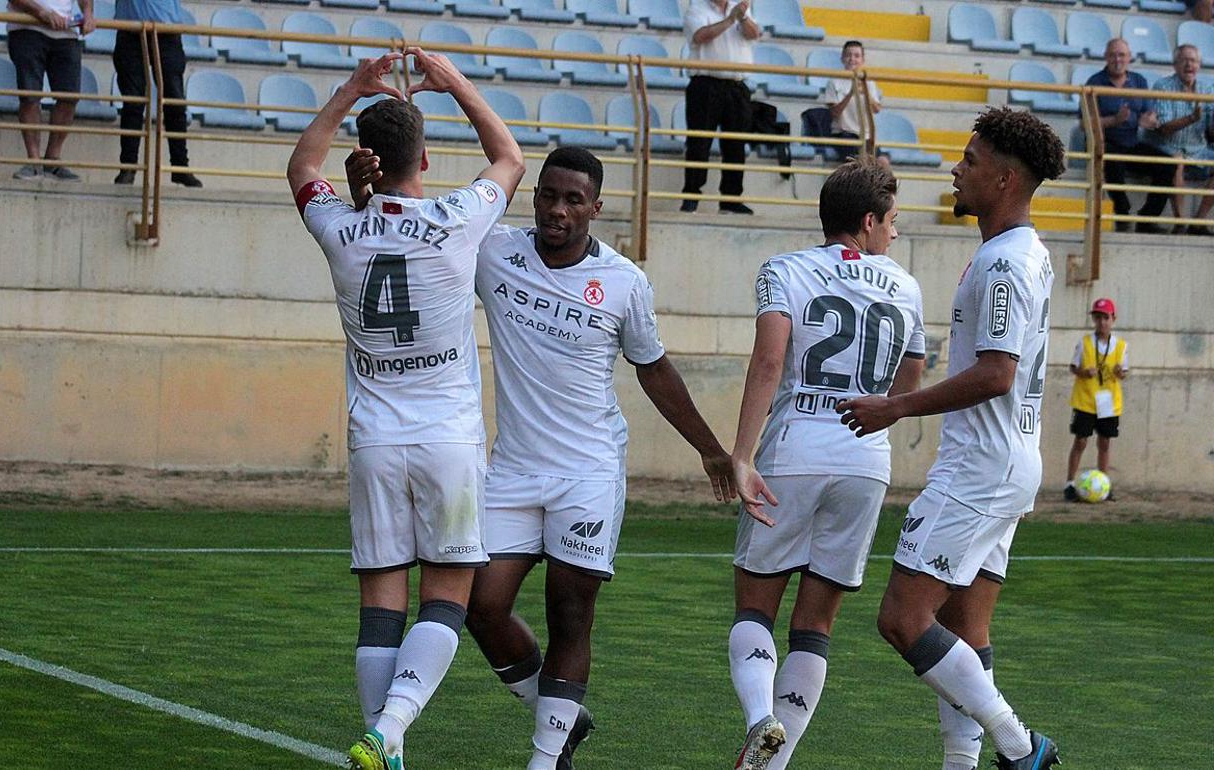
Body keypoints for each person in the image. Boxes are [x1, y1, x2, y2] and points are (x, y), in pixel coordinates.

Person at [347, 145, 736, 770]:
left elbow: (654, 368)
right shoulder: (495, 251)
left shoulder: (624, 281)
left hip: (588, 471)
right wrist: (369, 201)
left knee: (570, 609)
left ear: (596, 208)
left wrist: (711, 450)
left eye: (573, 200)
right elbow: (419, 245)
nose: (557, 210)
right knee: (480, 604)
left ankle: (545, 756)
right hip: (511, 470)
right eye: (548, 196)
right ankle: (557, 717)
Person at [286, 51, 525, 770]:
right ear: (423, 156)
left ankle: (385, 746)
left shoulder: (338, 228)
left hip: (375, 441)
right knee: (446, 599)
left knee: (381, 604)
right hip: (447, 438)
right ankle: (390, 729)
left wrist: (350, 91)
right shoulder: (457, 220)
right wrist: (452, 83)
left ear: (367, 157)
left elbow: (301, 165)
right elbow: (508, 156)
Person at [837, 107, 1065, 770]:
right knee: (966, 629)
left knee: (902, 619)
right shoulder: (1021, 253)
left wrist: (897, 407)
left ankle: (1022, 747)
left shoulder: (1002, 265)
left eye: (969, 160)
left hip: (981, 469)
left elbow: (996, 374)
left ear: (1001, 180)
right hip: (1007, 461)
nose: (956, 170)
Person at [729, 157, 925, 770]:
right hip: (866, 459)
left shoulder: (783, 270)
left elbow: (768, 362)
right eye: (891, 220)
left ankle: (762, 717)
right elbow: (910, 382)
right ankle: (769, 764)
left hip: (795, 450)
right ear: (867, 222)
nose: (895, 232)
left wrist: (741, 455)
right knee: (815, 625)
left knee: (754, 609)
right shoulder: (907, 284)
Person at [681, 0, 761, 215]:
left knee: (736, 143)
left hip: (736, 84)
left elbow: (755, 33)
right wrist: (730, 20)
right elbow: (700, 36)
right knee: (699, 142)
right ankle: (691, 196)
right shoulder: (696, 9)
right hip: (705, 83)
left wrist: (742, 17)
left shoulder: (741, 9)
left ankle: (731, 199)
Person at [1084, 38, 1172, 234]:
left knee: (1168, 164)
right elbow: (1085, 124)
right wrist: (1114, 120)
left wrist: (1150, 120)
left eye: (1122, 55)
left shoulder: (1139, 81)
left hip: (1131, 142)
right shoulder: (1094, 82)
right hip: (1104, 141)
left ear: (1129, 58)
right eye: (1113, 55)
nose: (1117, 59)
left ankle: (1147, 219)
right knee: (1112, 160)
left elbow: (1149, 113)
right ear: (1106, 57)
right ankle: (1123, 214)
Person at [112, 0, 202, 187]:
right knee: (133, 103)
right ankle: (128, 168)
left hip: (166, 31)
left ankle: (180, 168)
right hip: (131, 30)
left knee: (174, 102)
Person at [6, 0, 94, 181]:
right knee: (30, 96)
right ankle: (34, 161)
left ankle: (52, 160)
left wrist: (88, 13)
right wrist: (42, 13)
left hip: (66, 31)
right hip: (27, 27)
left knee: (69, 97)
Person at [1144, 44, 1214, 235]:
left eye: (1193, 61)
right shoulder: (1163, 86)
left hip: (1198, 149)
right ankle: (1180, 222)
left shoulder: (1208, 90)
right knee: (1176, 161)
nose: (1189, 64)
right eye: (1184, 60)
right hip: (1168, 146)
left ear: (1199, 65)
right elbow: (1165, 129)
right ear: (1175, 64)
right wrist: (1191, 118)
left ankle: (1198, 221)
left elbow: (1211, 132)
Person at [1065, 298, 1128, 502]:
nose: (1101, 322)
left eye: (1105, 318)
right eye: (1098, 317)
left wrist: (1120, 372)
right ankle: (1070, 484)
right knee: (1081, 441)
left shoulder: (1120, 345)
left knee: (1104, 443)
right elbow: (1073, 367)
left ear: (1113, 319)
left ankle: (1104, 484)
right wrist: (1084, 372)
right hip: (1086, 400)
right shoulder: (1084, 343)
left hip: (1108, 401)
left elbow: (1123, 372)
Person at [820, 40, 886, 165]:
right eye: (848, 55)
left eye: (856, 56)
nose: (852, 59)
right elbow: (834, 113)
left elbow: (876, 109)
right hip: (843, 133)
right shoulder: (834, 82)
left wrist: (866, 92)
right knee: (860, 163)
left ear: (862, 60)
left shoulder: (869, 83)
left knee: (883, 161)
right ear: (842, 58)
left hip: (865, 135)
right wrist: (851, 93)